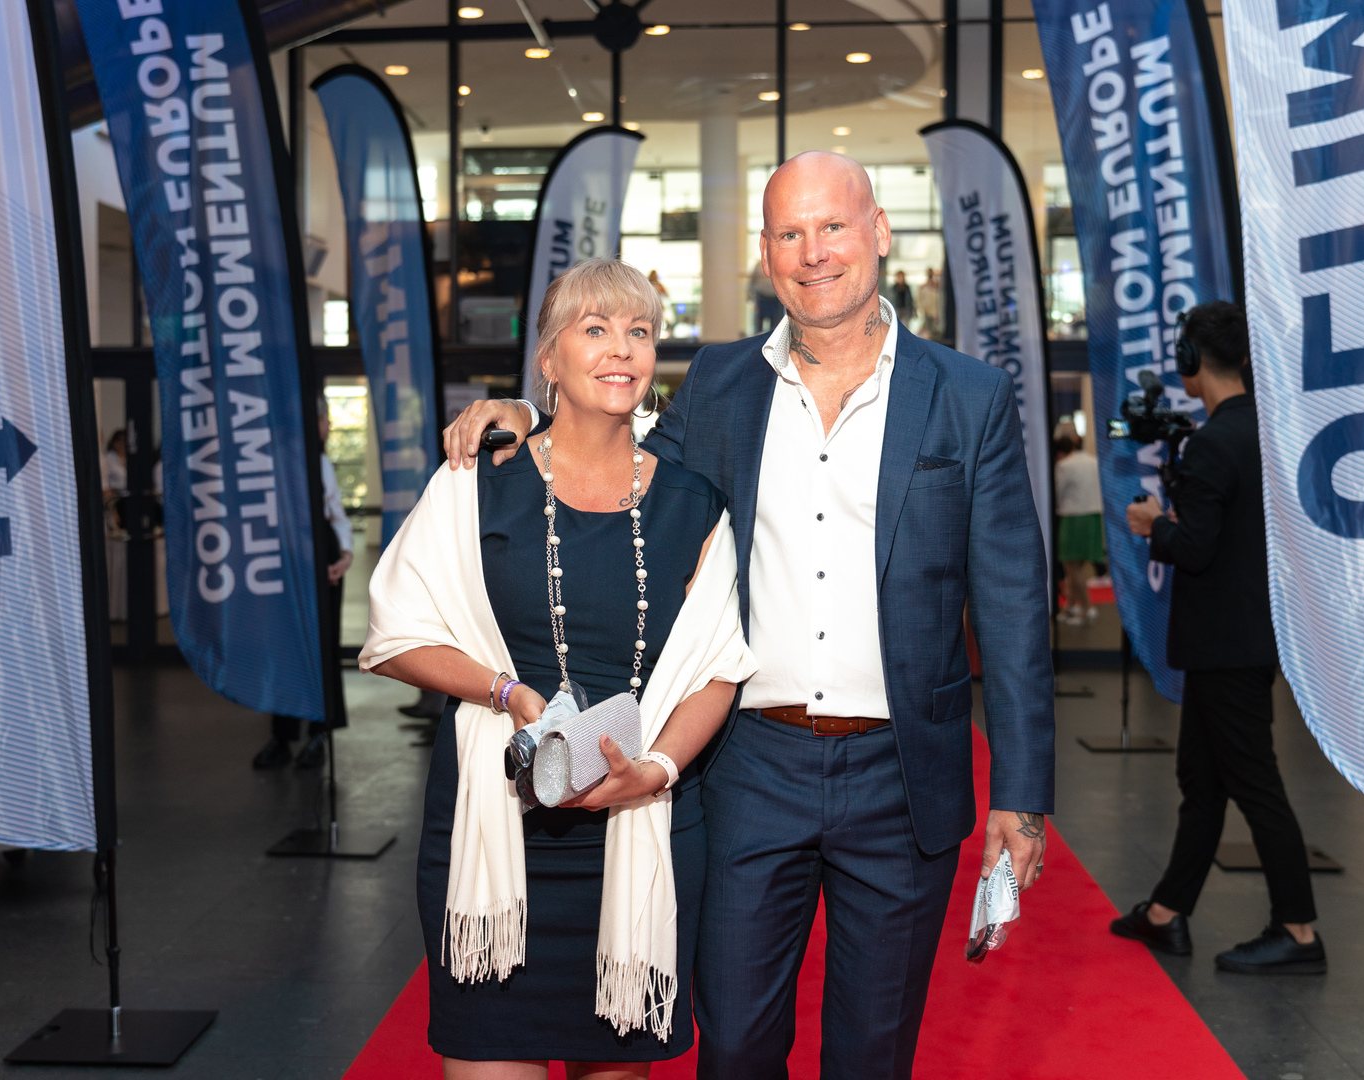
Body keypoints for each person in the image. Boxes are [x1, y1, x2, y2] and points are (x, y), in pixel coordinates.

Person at [444, 152, 1054, 1079]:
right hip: (747, 768)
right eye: (789, 234)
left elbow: (1011, 604)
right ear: (766, 255)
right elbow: (617, 457)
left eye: (833, 226)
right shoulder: (721, 383)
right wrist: (527, 410)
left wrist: (1021, 792)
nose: (814, 253)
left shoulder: (966, 396)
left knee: (872, 1053)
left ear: (878, 232)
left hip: (902, 776)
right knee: (731, 1046)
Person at [363, 258, 756, 1076]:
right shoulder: (479, 482)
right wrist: (506, 692)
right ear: (548, 359)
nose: (621, 349)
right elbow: (395, 635)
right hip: (494, 827)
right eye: (595, 329)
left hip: (634, 829)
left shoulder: (692, 502)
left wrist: (655, 769)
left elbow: (717, 667)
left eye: (639, 331)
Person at [1113, 300, 1325, 975]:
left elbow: (1195, 548)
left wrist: (1153, 525)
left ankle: (1298, 932)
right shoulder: (1264, 433)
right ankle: (1166, 913)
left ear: (1190, 362)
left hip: (1225, 644)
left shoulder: (1212, 444)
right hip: (1242, 638)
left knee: (1254, 785)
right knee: (1201, 783)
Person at [252, 400, 354, 770]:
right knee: (285, 647)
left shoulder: (320, 461)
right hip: (287, 559)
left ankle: (318, 733)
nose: (328, 426)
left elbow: (335, 512)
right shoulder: (275, 459)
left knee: (321, 646)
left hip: (321, 556)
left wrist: (345, 555)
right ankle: (282, 736)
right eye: (325, 418)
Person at [1053, 424, 1104, 626]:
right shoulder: (1094, 461)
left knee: (1072, 567)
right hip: (1093, 516)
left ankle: (1086, 609)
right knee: (1076, 568)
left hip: (1073, 518)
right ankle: (1070, 606)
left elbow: (1057, 492)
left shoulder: (1064, 465)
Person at [748, 259, 783, 334]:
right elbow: (753, 279)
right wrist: (749, 293)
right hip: (762, 297)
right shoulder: (759, 264)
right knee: (759, 323)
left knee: (775, 324)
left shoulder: (777, 264)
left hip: (775, 298)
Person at [916, 266, 942, 339]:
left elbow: (939, 301)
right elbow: (919, 300)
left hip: (935, 313)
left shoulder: (936, 287)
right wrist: (922, 309)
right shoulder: (923, 288)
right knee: (927, 331)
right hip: (927, 312)